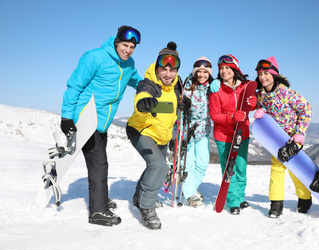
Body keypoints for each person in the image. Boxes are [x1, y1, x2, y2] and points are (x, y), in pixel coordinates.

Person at [60, 26, 143, 226]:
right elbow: (75, 85)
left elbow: (136, 81)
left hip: (103, 122)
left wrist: (151, 86)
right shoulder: (94, 57)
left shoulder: (129, 64)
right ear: (116, 42)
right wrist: (66, 117)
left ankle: (100, 199)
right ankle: (98, 211)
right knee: (99, 163)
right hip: (86, 117)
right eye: (125, 45)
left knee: (99, 163)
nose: (128, 50)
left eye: (132, 47)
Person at [126, 42, 191, 230]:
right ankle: (146, 208)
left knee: (157, 169)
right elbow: (142, 94)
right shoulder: (149, 84)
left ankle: (139, 197)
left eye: (172, 70)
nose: (168, 74)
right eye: (164, 69)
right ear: (157, 67)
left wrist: (183, 103)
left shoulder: (176, 84)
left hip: (161, 135)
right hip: (141, 131)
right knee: (159, 166)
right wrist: (143, 102)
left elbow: (172, 102)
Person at [253, 56, 313, 218]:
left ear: (274, 75)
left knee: (295, 171)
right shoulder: (261, 95)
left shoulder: (286, 93)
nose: (263, 77)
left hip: (293, 140)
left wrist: (300, 133)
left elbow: (306, 109)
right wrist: (261, 111)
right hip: (277, 140)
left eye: (266, 73)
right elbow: (261, 106)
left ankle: (305, 198)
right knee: (277, 171)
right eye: (260, 74)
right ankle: (276, 204)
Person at [209, 54, 257, 215]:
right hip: (223, 136)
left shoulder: (245, 87)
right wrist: (231, 117)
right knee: (229, 169)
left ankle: (240, 197)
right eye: (221, 68)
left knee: (241, 168)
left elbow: (253, 102)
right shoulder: (216, 90)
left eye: (227, 68)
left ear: (235, 68)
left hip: (242, 134)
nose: (224, 71)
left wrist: (254, 103)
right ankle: (233, 201)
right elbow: (215, 115)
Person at [181, 57, 213, 207]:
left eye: (205, 72)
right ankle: (190, 194)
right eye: (198, 71)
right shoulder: (186, 86)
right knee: (188, 165)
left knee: (202, 163)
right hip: (187, 131)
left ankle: (190, 188)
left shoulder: (212, 87)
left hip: (203, 132)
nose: (201, 75)